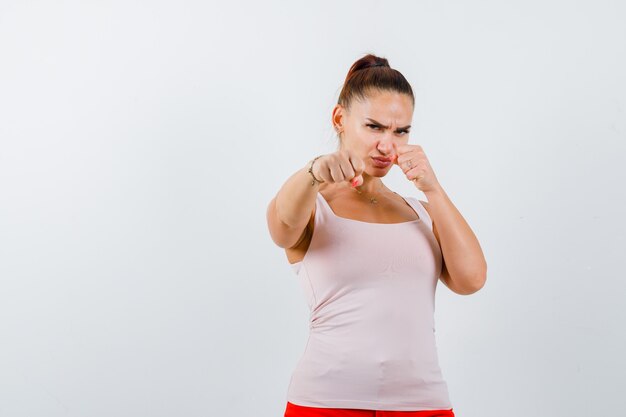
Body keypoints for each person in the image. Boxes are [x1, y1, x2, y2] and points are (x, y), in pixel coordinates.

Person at [266, 53, 488, 417]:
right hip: (326, 402)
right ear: (340, 119)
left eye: (401, 131)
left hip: (422, 402)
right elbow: (281, 228)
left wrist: (433, 189)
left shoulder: (420, 210)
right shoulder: (313, 202)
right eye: (374, 127)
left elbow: (471, 279)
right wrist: (313, 172)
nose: (388, 145)